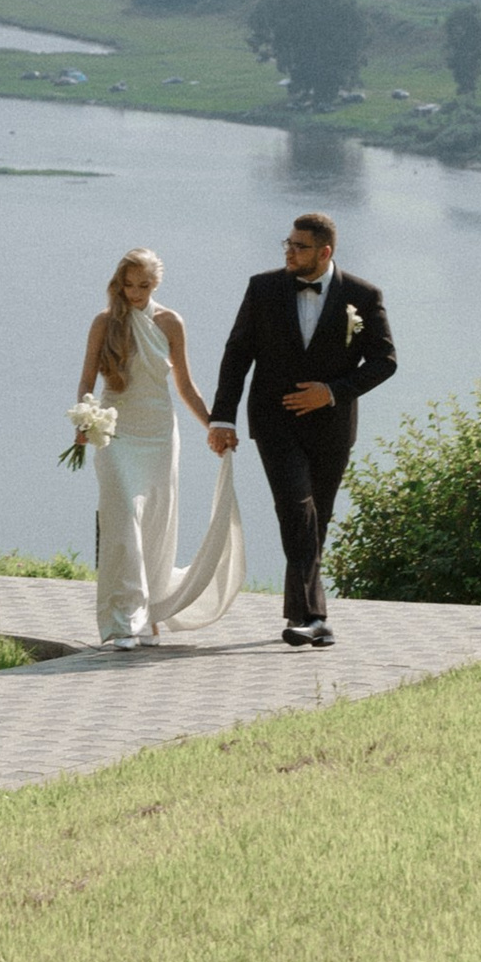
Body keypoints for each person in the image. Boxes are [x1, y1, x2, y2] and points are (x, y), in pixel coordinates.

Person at [205, 209, 397, 647]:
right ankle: (316, 616)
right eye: (287, 244)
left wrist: (331, 391)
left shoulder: (363, 296)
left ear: (324, 251)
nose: (290, 252)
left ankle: (300, 614)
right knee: (297, 508)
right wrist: (222, 417)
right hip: (274, 421)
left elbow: (386, 361)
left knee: (317, 517)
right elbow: (237, 354)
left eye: (300, 246)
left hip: (332, 426)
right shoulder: (263, 288)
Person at [75, 248, 244, 645]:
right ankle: (122, 619)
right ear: (119, 282)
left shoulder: (170, 322)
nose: (135, 293)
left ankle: (146, 616)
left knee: (154, 523)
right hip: (114, 431)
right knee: (121, 522)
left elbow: (185, 385)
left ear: (157, 284)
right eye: (129, 285)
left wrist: (215, 426)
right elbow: (85, 380)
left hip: (159, 434)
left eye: (144, 285)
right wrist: (85, 418)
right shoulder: (104, 322)